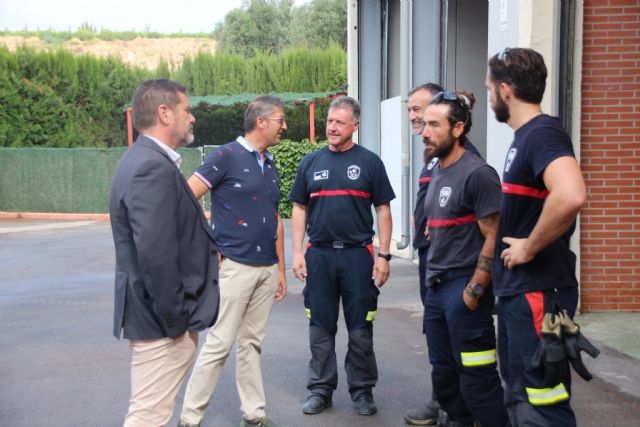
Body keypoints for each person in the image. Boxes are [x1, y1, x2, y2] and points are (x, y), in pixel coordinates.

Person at [109, 79, 220, 427]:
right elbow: (155, 255)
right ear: (164, 112)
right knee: (148, 417)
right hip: (160, 324)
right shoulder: (151, 167)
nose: (192, 118)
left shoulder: (147, 159)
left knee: (151, 413)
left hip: (157, 319)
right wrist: (175, 323)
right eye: (186, 110)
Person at [487, 47, 587, 426]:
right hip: (523, 291)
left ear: (506, 90)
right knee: (520, 394)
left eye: (491, 85)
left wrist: (529, 246)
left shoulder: (542, 133)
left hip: (538, 291)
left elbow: (572, 194)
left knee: (541, 401)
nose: (488, 91)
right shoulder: (527, 136)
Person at [178, 96, 288, 427]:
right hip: (235, 267)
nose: (284, 126)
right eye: (280, 120)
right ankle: (189, 419)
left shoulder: (269, 164)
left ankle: (253, 415)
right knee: (219, 344)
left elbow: (275, 217)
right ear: (261, 121)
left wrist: (280, 268)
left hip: (266, 268)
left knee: (251, 344)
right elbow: (186, 197)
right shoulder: (225, 156)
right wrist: (210, 246)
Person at [290, 96, 395, 416]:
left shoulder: (370, 162)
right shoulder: (310, 162)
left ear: (355, 126)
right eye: (329, 121)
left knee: (361, 328)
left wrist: (384, 255)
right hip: (319, 255)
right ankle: (320, 389)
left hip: (357, 257)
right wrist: (297, 252)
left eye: (339, 122)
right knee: (320, 327)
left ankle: (362, 391)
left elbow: (383, 209)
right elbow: (299, 208)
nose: (332, 127)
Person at [421, 91, 508, 427]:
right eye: (424, 124)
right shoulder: (438, 170)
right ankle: (459, 421)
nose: (425, 132)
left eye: (433, 125)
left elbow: (494, 234)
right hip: (436, 287)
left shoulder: (478, 174)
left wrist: (475, 287)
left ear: (458, 128)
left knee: (476, 377)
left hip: (463, 288)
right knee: (444, 374)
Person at [404, 84, 483, 427]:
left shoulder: (466, 160)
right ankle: (444, 403)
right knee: (439, 340)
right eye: (411, 111)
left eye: (419, 111)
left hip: (455, 267)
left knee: (457, 342)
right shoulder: (433, 156)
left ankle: (457, 410)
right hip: (431, 258)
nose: (415, 118)